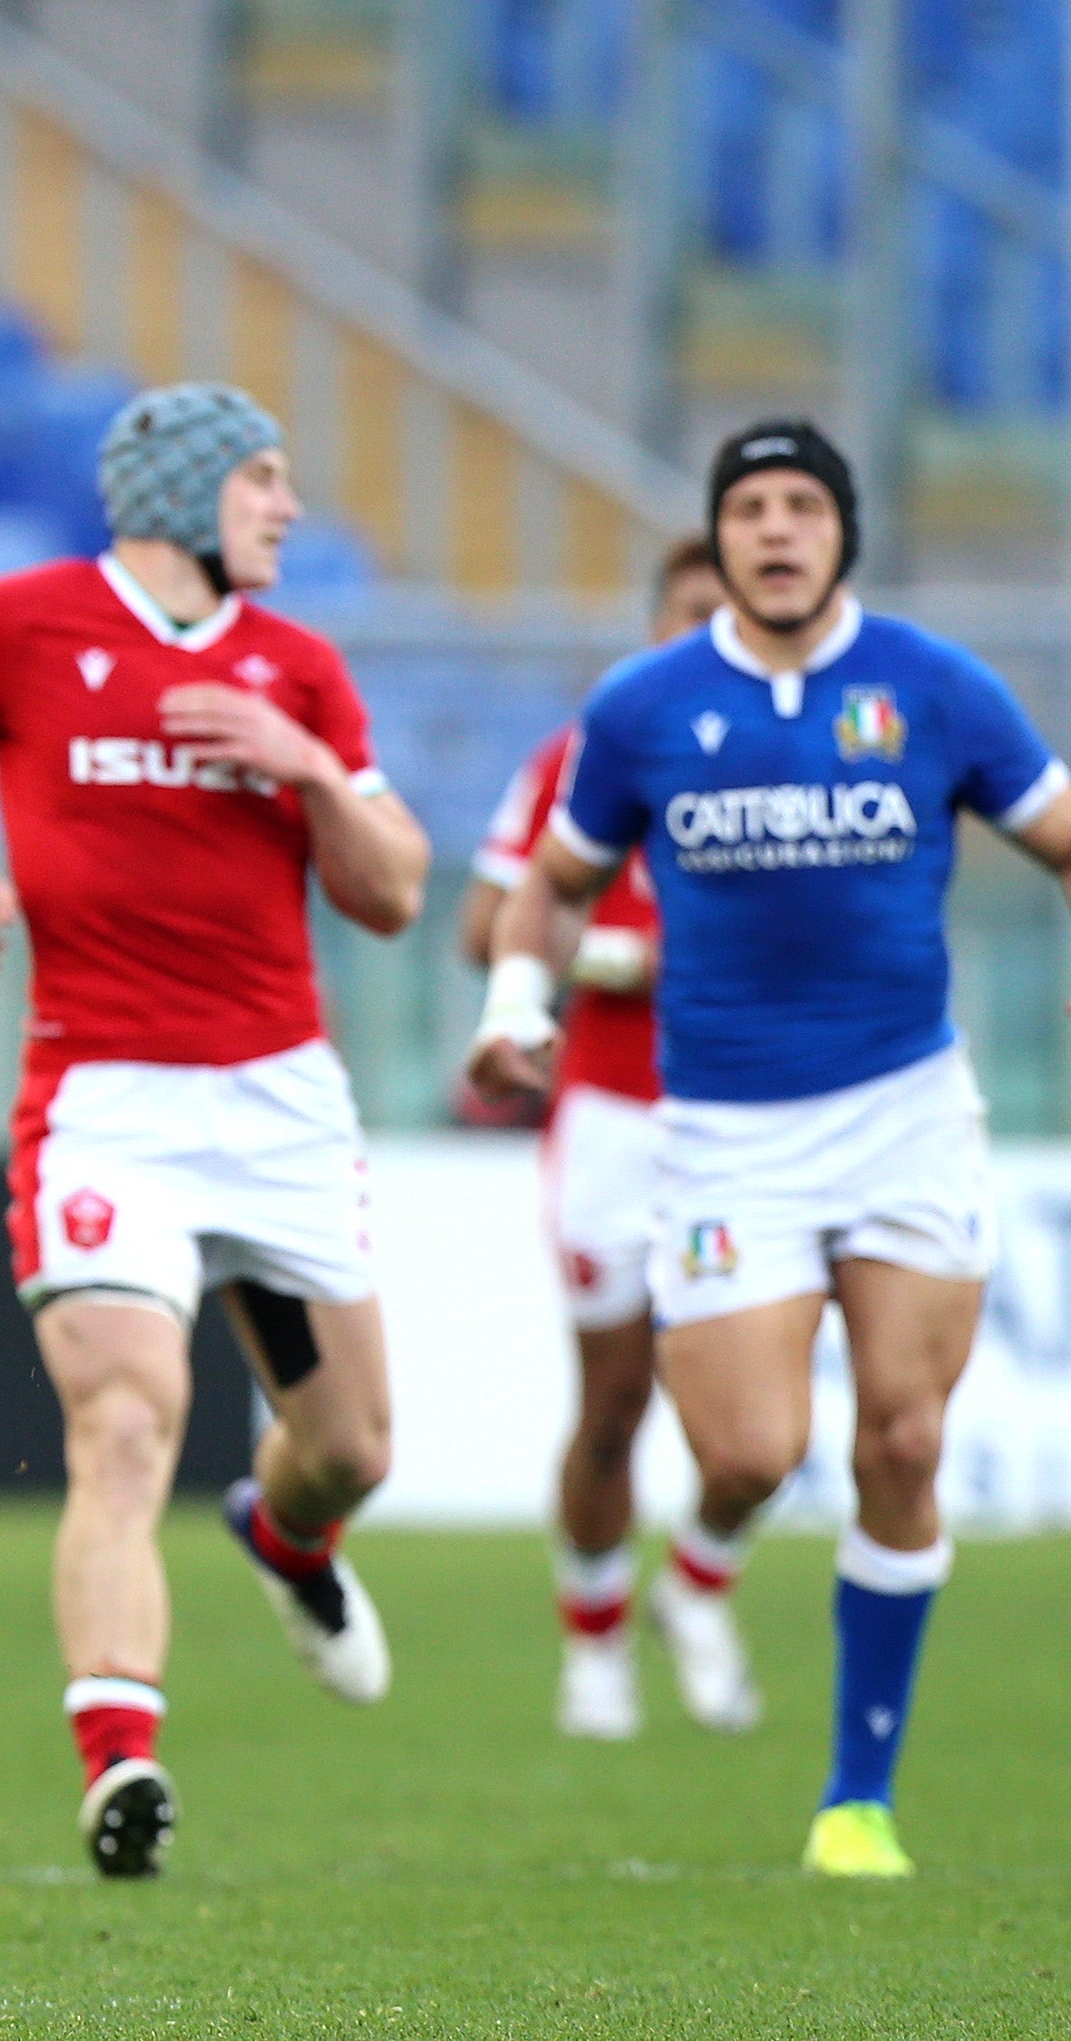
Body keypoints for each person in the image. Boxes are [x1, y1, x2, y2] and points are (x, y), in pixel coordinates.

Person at [468, 420, 1071, 1877]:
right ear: (716, 538)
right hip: (723, 1132)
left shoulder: (932, 686)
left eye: (802, 507)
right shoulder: (646, 705)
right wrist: (516, 1001)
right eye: (748, 508)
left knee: (904, 1438)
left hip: (904, 1112)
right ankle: (703, 1556)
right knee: (750, 1447)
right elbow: (546, 886)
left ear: (842, 532)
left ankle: (858, 1797)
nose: (775, 530)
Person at [0, 383, 431, 1880]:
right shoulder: (25, 622)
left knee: (348, 1445)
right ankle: (121, 1762)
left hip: (279, 1100)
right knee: (125, 1420)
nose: (288, 508)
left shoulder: (296, 664)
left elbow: (395, 886)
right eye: (265, 481)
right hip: (104, 1105)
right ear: (186, 496)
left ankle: (288, 1539)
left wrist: (301, 770)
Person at [459, 535, 760, 1742]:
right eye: (687, 616)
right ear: (653, 625)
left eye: (723, 618)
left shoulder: (783, 759)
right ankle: (594, 1648)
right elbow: (485, 923)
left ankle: (696, 1584)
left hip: (752, 1122)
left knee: (753, 1426)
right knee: (614, 1399)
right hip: (610, 1118)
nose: (705, 641)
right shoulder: (584, 756)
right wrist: (611, 959)